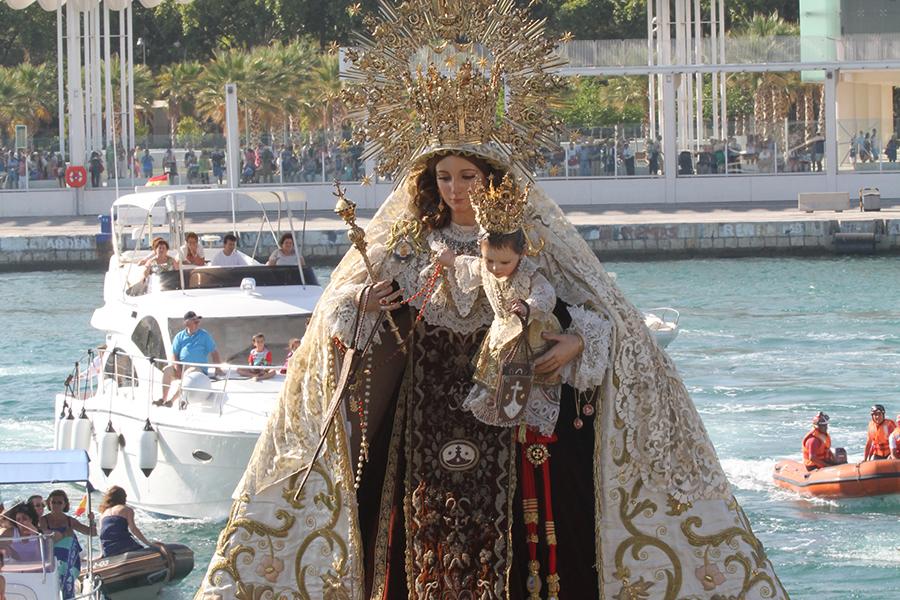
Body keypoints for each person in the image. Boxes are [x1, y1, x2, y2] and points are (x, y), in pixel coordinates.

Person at [197, 3, 787, 598]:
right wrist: (365, 304)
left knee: (520, 551)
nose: (455, 190)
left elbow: (607, 316)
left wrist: (579, 338)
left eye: (467, 177)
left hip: (511, 426)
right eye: (445, 177)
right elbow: (340, 312)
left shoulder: (531, 244)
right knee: (422, 543)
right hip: (422, 422)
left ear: (492, 179)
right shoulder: (406, 242)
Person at [437, 175, 571, 437]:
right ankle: (505, 414)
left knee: (532, 380)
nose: (496, 269)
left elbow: (546, 294)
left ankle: (530, 422)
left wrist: (529, 306)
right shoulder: (485, 266)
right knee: (500, 381)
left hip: (530, 332)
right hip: (501, 333)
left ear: (522, 254)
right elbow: (467, 265)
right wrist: (450, 260)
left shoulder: (528, 274)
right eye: (490, 261)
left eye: (504, 263)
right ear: (482, 251)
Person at [156, 311, 222, 407]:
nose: (197, 322)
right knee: (167, 370)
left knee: (188, 374)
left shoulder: (204, 335)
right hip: (182, 367)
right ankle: (163, 398)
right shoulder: (180, 336)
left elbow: (214, 352)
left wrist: (218, 368)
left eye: (197, 320)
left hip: (197, 369)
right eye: (194, 320)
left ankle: (172, 400)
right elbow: (175, 354)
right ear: (187, 323)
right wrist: (177, 367)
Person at [39, 490, 95, 599]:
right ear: (49, 504)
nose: (56, 505)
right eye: (53, 502)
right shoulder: (43, 521)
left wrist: (92, 521)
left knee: (67, 585)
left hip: (67, 561)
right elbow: (47, 539)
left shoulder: (70, 521)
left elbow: (91, 532)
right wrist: (65, 534)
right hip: (50, 558)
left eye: (59, 503)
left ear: (65, 504)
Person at [98, 486, 156, 557]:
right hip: (124, 546)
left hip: (109, 550)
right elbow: (133, 529)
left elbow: (101, 535)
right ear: (123, 497)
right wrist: (148, 543)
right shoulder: (126, 509)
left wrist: (102, 553)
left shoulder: (103, 514)